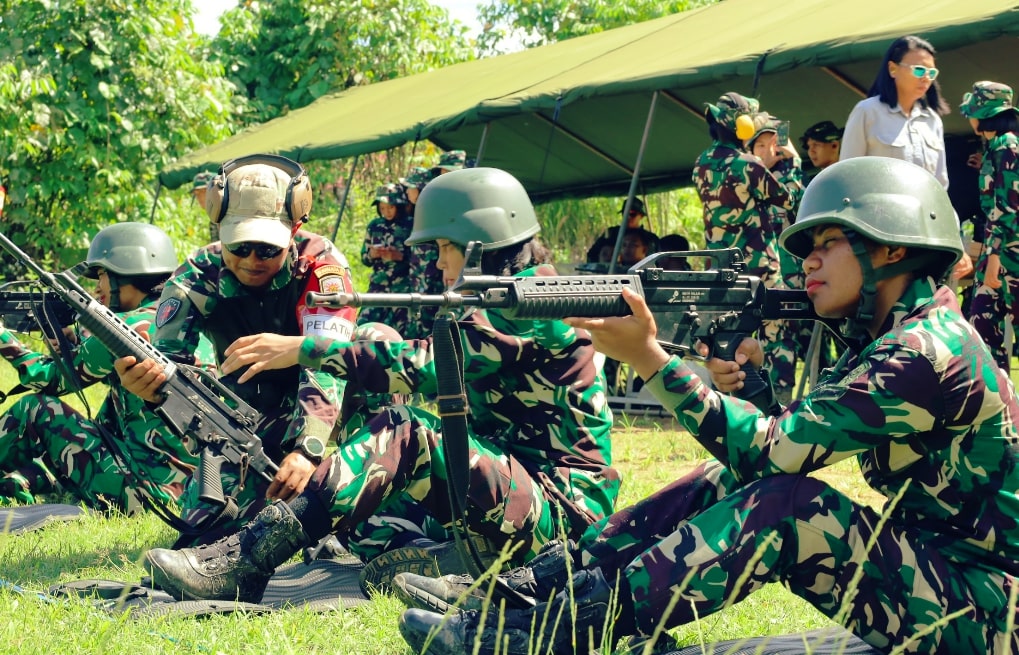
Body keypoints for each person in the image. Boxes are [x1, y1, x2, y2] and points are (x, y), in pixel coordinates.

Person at [396, 156, 1019, 655]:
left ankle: (563, 630)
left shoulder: (927, 352)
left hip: (989, 617)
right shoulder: (904, 336)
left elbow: (776, 452)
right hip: (950, 582)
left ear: (891, 249)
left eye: (829, 243)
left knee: (788, 510)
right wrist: (748, 385)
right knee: (727, 477)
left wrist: (651, 360)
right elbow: (793, 436)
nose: (807, 261)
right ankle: (536, 592)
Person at [138, 166, 619, 603]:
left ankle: (246, 560)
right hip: (510, 495)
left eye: (444, 249)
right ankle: (463, 564)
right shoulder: (508, 301)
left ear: (479, 247)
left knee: (406, 430)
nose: (437, 265)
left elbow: (427, 365)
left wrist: (303, 349)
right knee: (367, 519)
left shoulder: (534, 306)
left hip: (561, 515)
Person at [114, 155, 358, 544]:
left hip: (331, 410)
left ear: (294, 231)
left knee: (376, 342)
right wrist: (151, 390)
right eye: (239, 245)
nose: (251, 260)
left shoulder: (322, 268)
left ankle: (358, 494)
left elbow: (328, 365)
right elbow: (172, 369)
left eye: (267, 249)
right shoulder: (196, 276)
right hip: (248, 420)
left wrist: (307, 450)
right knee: (204, 534)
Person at [0, 223, 212, 513]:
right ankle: (25, 481)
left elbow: (48, 378)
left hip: (146, 494)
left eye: (101, 274)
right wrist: (72, 342)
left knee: (35, 410)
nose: (97, 287)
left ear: (126, 272)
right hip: (188, 488)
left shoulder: (128, 329)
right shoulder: (180, 320)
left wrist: (4, 338)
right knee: (109, 413)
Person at [694, 94, 797, 407]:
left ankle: (736, 407)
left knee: (731, 339)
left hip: (722, 270)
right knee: (776, 338)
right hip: (760, 269)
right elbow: (788, 199)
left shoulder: (701, 164)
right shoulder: (748, 165)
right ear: (743, 126)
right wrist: (791, 162)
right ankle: (776, 408)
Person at [959, 81, 1019, 372]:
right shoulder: (996, 146)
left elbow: (1007, 207)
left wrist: (993, 257)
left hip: (1009, 254)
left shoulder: (1007, 145)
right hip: (996, 252)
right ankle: (1000, 394)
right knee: (981, 327)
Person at [840, 35, 950, 188]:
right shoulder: (867, 111)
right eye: (919, 70)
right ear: (893, 69)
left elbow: (940, 183)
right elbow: (847, 173)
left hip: (924, 203)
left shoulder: (932, 120)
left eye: (931, 73)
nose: (926, 78)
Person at [358, 182, 415, 336]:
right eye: (382, 208)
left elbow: (420, 259)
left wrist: (400, 256)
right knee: (363, 325)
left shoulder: (410, 225)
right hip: (378, 285)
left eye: (390, 207)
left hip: (402, 287)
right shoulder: (374, 226)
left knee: (403, 331)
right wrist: (372, 255)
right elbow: (364, 258)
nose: (386, 212)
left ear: (399, 206)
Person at [400, 166, 443, 338]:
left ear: (419, 189)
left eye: (410, 187)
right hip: (418, 279)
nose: (407, 192)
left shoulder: (432, 212)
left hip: (429, 280)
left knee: (426, 325)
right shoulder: (419, 211)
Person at [584, 197, 659, 267]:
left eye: (632, 214)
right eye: (625, 213)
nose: (628, 217)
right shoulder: (611, 234)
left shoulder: (650, 238)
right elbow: (592, 255)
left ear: (641, 216)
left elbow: (658, 262)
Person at [190, 170, 218, 241]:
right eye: (196, 193)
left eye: (203, 191)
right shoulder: (214, 218)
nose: (199, 196)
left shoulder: (228, 215)